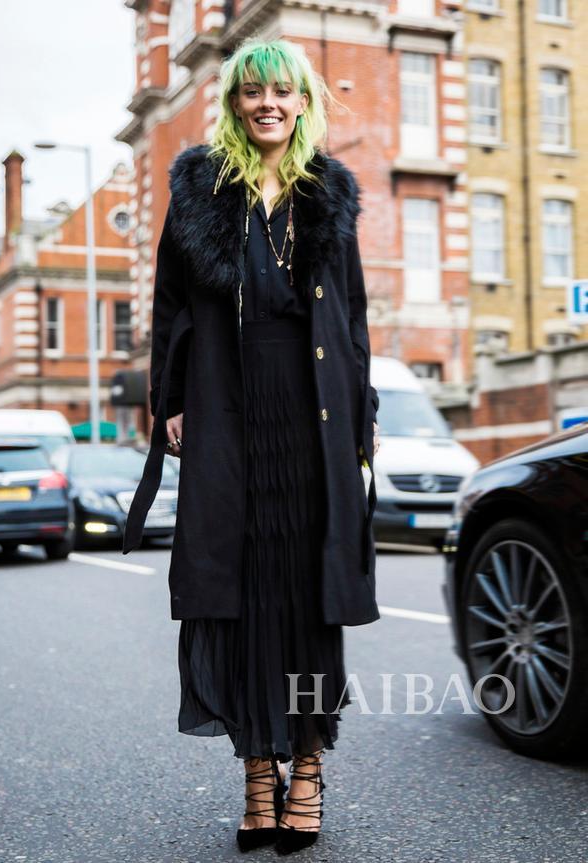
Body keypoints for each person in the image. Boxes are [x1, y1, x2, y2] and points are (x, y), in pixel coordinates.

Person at [123, 36, 381, 855]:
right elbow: (169, 305)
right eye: (252, 91)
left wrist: (363, 416)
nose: (268, 103)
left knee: (305, 596)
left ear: (302, 102)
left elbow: (353, 317)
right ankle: (257, 775)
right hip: (227, 408)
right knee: (237, 597)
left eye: (282, 91)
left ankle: (307, 770)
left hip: (312, 417)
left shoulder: (327, 193)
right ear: (235, 103)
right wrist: (169, 400)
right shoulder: (200, 191)